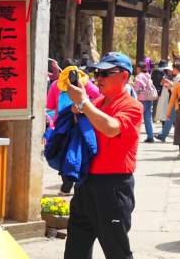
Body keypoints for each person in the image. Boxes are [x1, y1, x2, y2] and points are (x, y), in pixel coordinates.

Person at [65, 52, 143, 259]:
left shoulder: (132, 106)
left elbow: (111, 128)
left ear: (124, 77)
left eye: (106, 73)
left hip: (113, 187)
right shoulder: (98, 102)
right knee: (75, 250)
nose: (99, 78)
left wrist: (84, 104)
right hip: (86, 183)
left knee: (116, 251)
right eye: (97, 72)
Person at [46, 59, 101, 196]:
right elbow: (99, 96)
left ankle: (67, 185)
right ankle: (77, 183)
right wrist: (86, 105)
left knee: (65, 152)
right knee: (80, 151)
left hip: (63, 126)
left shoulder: (55, 85)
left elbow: (51, 106)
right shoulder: (85, 83)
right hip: (82, 124)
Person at [134, 61, 157, 143]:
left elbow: (136, 89)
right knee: (148, 119)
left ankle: (134, 136)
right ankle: (150, 136)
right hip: (149, 99)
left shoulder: (139, 76)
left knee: (137, 118)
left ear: (139, 68)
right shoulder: (148, 75)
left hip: (141, 100)